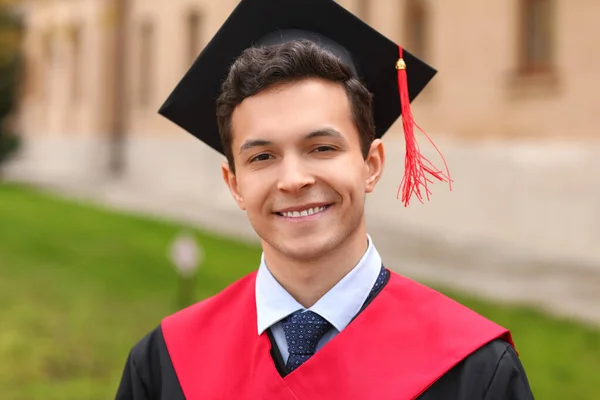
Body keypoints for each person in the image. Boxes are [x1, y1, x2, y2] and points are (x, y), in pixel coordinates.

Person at [115, 0, 535, 398]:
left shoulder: (474, 372)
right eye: (262, 156)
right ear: (235, 184)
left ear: (371, 164)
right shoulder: (164, 366)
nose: (294, 180)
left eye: (322, 148)